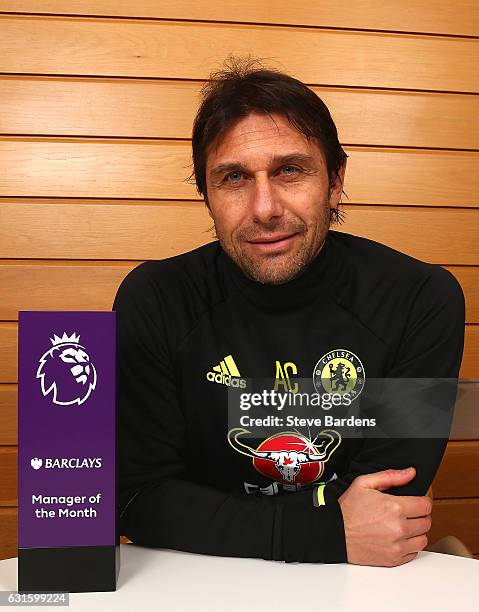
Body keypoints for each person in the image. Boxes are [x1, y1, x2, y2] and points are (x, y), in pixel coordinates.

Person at [113, 58, 465, 567]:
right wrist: (319, 530)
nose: (264, 208)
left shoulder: (420, 299)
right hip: (199, 581)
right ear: (206, 196)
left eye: (290, 170)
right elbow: (139, 501)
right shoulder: (156, 297)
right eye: (234, 177)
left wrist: (210, 515)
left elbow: (388, 505)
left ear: (336, 180)